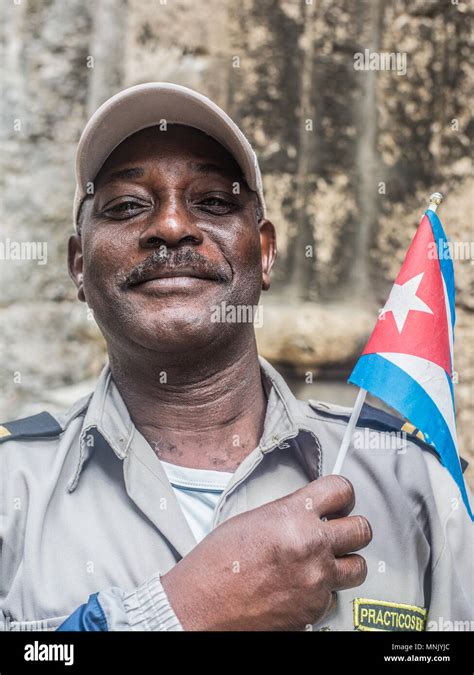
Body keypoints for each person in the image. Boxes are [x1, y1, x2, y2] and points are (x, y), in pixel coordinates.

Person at [0, 83, 472, 632]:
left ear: (265, 252)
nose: (172, 226)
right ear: (78, 264)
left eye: (214, 202)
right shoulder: (11, 487)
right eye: (128, 206)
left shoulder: (410, 481)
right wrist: (178, 613)